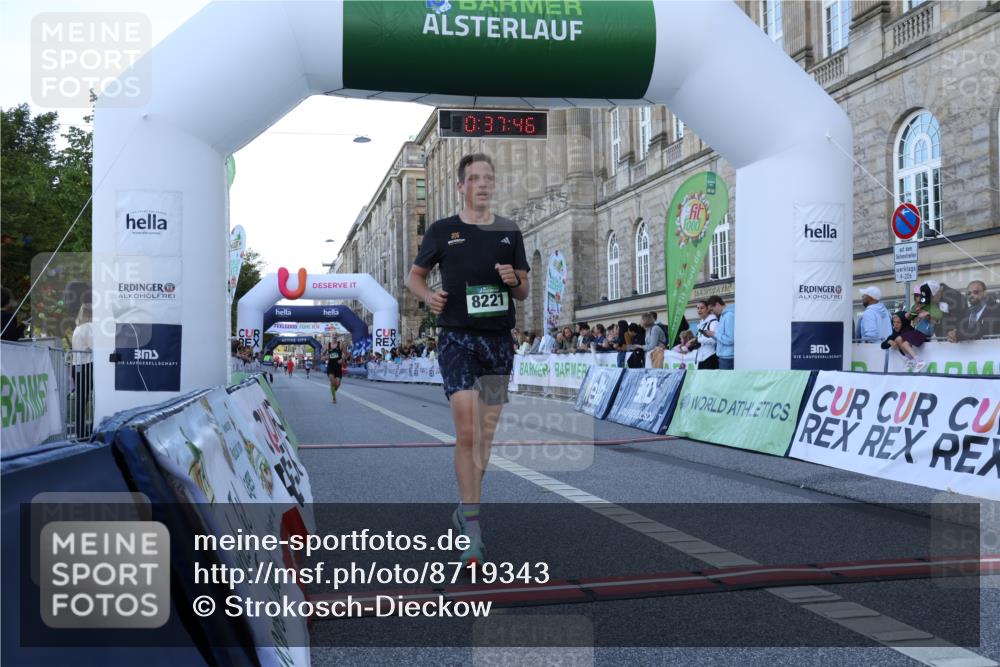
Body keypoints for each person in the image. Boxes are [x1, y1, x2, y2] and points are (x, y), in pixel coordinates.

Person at [405, 152, 530, 569]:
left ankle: (465, 508)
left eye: (488, 177)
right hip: (457, 339)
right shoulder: (443, 231)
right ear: (461, 186)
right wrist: (429, 297)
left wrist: (514, 281)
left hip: (498, 343)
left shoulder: (509, 231)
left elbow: (523, 289)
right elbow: (414, 277)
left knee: (486, 437)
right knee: (468, 431)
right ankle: (473, 532)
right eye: (474, 177)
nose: (482, 183)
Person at [71, 303, 94, 438]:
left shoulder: (78, 327)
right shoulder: (89, 327)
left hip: (77, 366)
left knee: (81, 401)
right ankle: (87, 431)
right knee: (91, 399)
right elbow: (94, 346)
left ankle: (80, 432)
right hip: (86, 365)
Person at [705, 295, 735, 369]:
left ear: (717, 304)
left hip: (728, 358)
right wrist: (712, 335)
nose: (712, 313)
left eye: (712, 310)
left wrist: (714, 334)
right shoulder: (722, 316)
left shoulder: (729, 316)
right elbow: (722, 338)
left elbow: (730, 339)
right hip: (724, 356)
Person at [693, 300, 719, 369]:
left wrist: (698, 340)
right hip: (701, 358)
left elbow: (714, 340)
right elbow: (700, 340)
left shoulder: (713, 322)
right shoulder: (701, 324)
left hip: (710, 357)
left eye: (702, 308)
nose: (699, 310)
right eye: (698, 308)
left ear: (707, 309)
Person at [324, 338, 344, 403]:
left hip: (338, 367)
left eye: (335, 335)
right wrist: (325, 357)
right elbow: (322, 355)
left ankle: (333, 391)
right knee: (332, 382)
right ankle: (334, 398)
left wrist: (342, 359)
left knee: (337, 384)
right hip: (330, 367)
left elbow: (346, 354)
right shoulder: (328, 345)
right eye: (333, 335)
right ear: (331, 336)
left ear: (337, 336)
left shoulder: (340, 344)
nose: (334, 336)